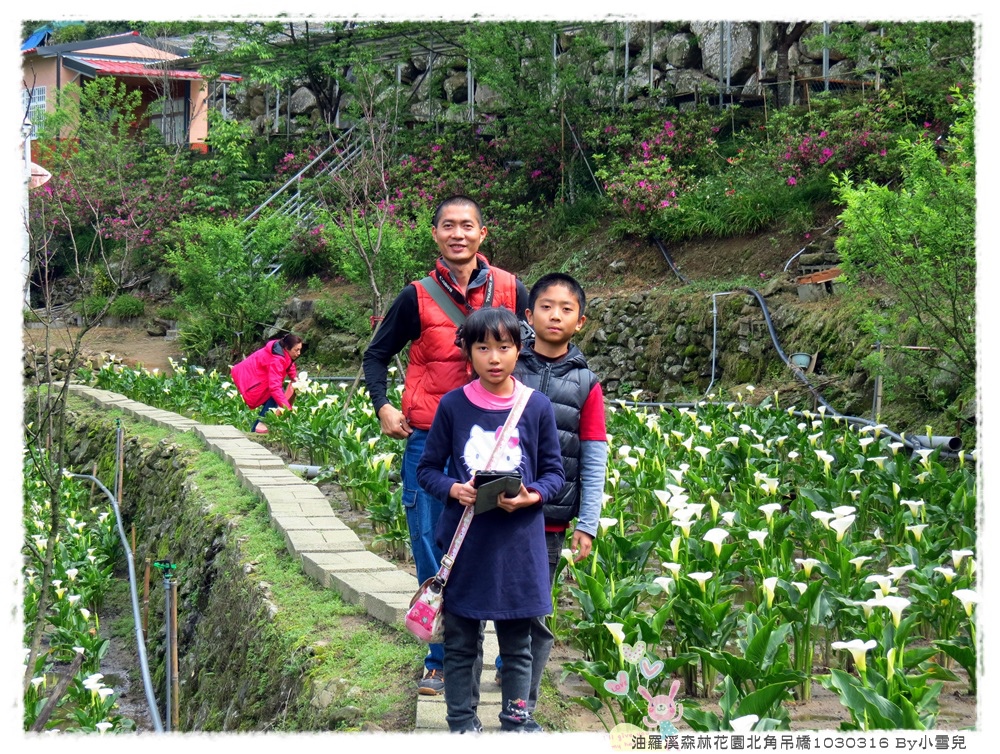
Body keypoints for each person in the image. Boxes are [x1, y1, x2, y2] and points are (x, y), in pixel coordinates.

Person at [362, 195, 529, 695]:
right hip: (430, 441)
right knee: (434, 548)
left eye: (468, 226)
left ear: (483, 233)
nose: (458, 234)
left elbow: (535, 350)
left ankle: (505, 660)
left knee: (500, 547)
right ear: (435, 234)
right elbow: (376, 354)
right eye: (448, 226)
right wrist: (383, 406)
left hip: (497, 438)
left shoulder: (510, 288)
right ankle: (441, 657)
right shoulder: (416, 296)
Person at [416, 307, 564, 733]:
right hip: (466, 546)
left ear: (520, 350)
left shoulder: (536, 407)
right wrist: (453, 489)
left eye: (504, 347)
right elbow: (428, 469)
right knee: (462, 641)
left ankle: (517, 721)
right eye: (483, 348)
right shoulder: (453, 406)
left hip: (519, 546)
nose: (494, 357)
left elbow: (555, 473)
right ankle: (462, 723)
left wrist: (531, 495)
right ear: (468, 353)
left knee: (519, 643)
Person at [510, 272, 609, 711]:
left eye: (566, 309)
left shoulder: (587, 383)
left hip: (549, 519)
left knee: (535, 611)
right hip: (498, 509)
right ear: (529, 315)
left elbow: (593, 454)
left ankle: (523, 704)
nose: (555, 315)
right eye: (546, 306)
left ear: (580, 321)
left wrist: (587, 522)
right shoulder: (507, 365)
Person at [230, 333, 303, 434]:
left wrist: (294, 377)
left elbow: (289, 364)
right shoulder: (277, 359)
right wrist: (287, 408)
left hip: (255, 379)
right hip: (249, 380)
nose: (299, 353)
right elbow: (275, 387)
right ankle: (256, 431)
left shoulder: (281, 351)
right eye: (296, 350)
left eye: (300, 349)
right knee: (274, 399)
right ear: (287, 348)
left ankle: (255, 430)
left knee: (274, 401)